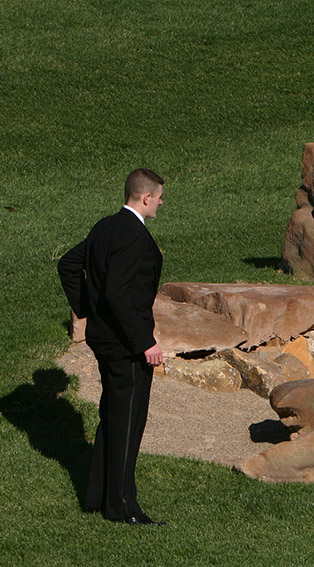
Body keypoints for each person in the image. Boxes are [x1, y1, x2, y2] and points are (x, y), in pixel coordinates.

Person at [58, 168, 166, 525]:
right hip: (125, 345)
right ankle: (121, 507)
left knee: (113, 415)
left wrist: (88, 309)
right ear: (146, 197)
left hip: (105, 339)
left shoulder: (104, 226)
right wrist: (145, 342)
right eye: (159, 196)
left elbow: (69, 264)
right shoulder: (133, 235)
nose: (161, 202)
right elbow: (119, 294)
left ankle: (98, 496)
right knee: (128, 421)